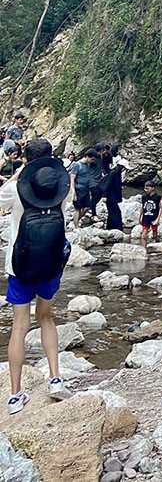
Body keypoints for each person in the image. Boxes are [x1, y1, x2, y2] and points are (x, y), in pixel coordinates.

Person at [0, 138, 73, 413]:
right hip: (51, 261)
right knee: (46, 318)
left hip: (20, 265)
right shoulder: (62, 185)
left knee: (19, 326)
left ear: (25, 160)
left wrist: (18, 174)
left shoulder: (19, 188)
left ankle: (16, 395)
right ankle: (55, 379)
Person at [68, 149, 97, 229]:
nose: (92, 161)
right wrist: (73, 192)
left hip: (85, 189)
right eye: (92, 159)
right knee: (77, 208)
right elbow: (72, 178)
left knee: (87, 206)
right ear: (87, 157)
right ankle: (76, 227)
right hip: (78, 189)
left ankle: (75, 220)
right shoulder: (77, 165)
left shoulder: (87, 164)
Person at [104, 157, 130, 232]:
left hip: (114, 196)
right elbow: (107, 185)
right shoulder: (113, 173)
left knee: (112, 212)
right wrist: (104, 196)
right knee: (115, 212)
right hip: (110, 196)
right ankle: (118, 229)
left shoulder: (117, 174)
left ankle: (110, 228)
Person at [140, 181, 162, 246]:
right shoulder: (144, 197)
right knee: (143, 236)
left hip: (154, 218)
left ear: (153, 188)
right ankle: (145, 249)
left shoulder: (157, 197)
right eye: (145, 189)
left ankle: (159, 245)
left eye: (147, 188)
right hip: (146, 217)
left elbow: (160, 208)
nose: (146, 190)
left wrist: (158, 218)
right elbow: (142, 207)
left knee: (154, 235)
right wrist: (140, 217)